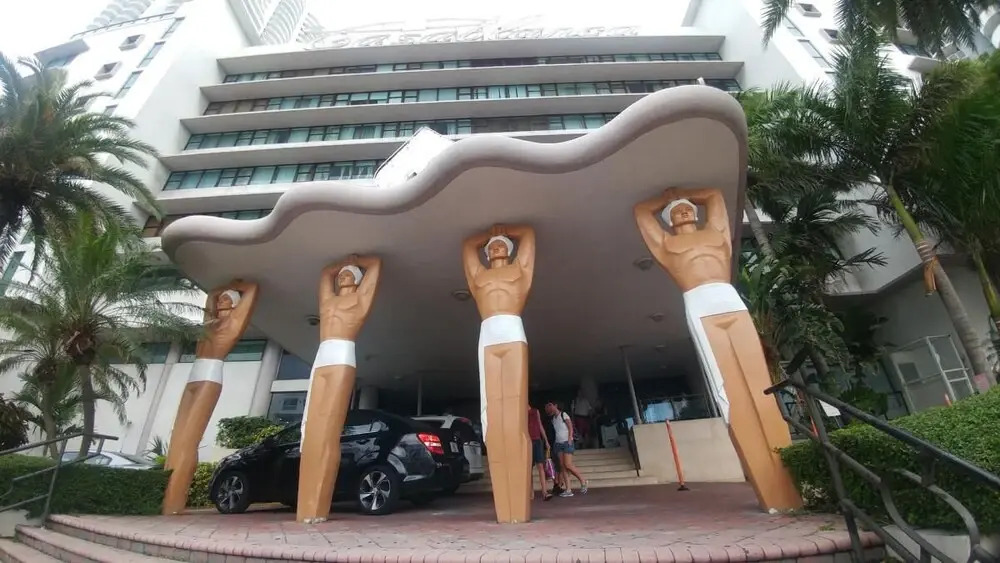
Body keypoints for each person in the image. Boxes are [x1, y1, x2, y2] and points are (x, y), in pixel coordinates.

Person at [633, 187, 802, 510]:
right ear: (667, 220)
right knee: (728, 391)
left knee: (760, 385)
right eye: (675, 211)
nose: (683, 210)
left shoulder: (716, 233)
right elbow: (641, 212)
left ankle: (788, 490)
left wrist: (683, 195)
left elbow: (713, 196)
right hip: (699, 303)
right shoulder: (667, 244)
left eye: (687, 207)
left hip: (729, 299)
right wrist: (666, 198)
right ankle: (770, 490)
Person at [297, 254, 382, 523]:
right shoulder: (329, 300)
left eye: (350, 274)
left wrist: (359, 261)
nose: (344, 276)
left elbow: (375, 265)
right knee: (312, 428)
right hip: (322, 356)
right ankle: (305, 507)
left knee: (328, 431)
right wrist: (341, 265)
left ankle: (318, 506)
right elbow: (325, 274)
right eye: (342, 274)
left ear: (358, 280)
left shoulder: (359, 299)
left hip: (343, 355)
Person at [162, 280, 259, 515]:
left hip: (210, 374)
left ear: (235, 304)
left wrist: (237, 285)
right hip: (195, 374)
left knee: (189, 441)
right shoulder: (209, 323)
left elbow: (252, 290)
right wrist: (219, 290)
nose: (222, 300)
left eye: (228, 299)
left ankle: (175, 499)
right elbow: (210, 298)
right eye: (221, 298)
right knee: (176, 439)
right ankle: (166, 497)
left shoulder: (233, 322)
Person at [463, 224, 536, 523]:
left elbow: (528, 235)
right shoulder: (479, 276)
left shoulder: (520, 269)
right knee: (492, 417)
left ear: (510, 249)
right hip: (488, 337)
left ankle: (518, 507)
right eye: (491, 245)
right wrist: (488, 235)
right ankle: (504, 509)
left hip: (512, 332)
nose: (495, 247)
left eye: (501, 243)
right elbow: (467, 247)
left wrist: (507, 230)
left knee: (514, 417)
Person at [545, 401, 588, 497]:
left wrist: (569, 438)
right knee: (562, 467)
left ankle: (583, 480)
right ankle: (568, 489)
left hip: (566, 442)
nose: (549, 407)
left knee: (568, 464)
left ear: (556, 405)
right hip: (558, 444)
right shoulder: (553, 419)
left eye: (550, 405)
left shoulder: (563, 414)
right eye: (548, 406)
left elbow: (570, 426)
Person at [527, 404, 552, 501]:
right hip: (528, 442)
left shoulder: (535, 411)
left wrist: (546, 440)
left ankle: (545, 492)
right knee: (529, 468)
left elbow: (540, 425)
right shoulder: (521, 413)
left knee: (540, 466)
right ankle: (531, 493)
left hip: (537, 440)